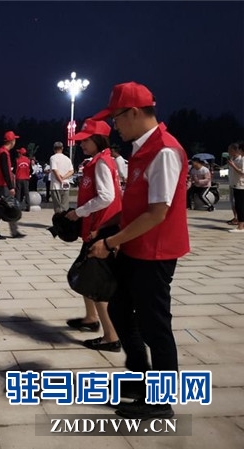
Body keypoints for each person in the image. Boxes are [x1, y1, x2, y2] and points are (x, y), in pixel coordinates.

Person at [89, 82, 190, 420]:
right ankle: (139, 377)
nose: (113, 125)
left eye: (116, 118)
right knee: (119, 309)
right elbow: (136, 204)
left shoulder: (164, 150)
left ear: (133, 112)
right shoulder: (141, 149)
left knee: (154, 325)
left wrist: (110, 242)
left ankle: (161, 401)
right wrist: (108, 227)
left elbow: (158, 211)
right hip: (136, 247)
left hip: (155, 252)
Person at [65, 118, 122, 353]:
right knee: (86, 274)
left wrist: (78, 213)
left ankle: (111, 337)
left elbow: (107, 197)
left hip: (102, 229)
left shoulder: (101, 163)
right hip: (99, 228)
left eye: (85, 140)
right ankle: (90, 318)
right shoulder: (103, 160)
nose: (81, 144)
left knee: (97, 283)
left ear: (97, 140)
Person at [0, 131, 25, 239]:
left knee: (7, 206)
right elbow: (5, 171)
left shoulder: (0, 152)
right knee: (2, 207)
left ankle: (14, 231)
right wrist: (11, 186)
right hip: (2, 185)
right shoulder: (4, 153)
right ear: (12, 141)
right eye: (14, 140)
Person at [49, 141, 74, 213]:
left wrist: (60, 180)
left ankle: (58, 222)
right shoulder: (67, 159)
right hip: (66, 184)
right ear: (62, 148)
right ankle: (65, 221)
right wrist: (64, 178)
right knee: (65, 205)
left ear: (54, 149)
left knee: (57, 206)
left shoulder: (53, 158)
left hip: (56, 185)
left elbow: (54, 170)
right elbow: (71, 171)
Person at [226, 142, 244, 232]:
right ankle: (239, 222)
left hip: (240, 185)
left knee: (239, 205)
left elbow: (242, 173)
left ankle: (240, 226)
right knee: (237, 205)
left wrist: (233, 165)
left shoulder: (242, 159)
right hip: (234, 184)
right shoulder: (233, 159)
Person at [14, 147, 31, 211]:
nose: (18, 154)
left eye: (18, 152)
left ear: (20, 153)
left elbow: (14, 170)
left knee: (18, 193)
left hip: (18, 178)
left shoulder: (17, 160)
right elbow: (31, 170)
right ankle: (28, 206)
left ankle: (17, 207)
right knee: (26, 192)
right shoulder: (28, 160)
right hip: (26, 178)